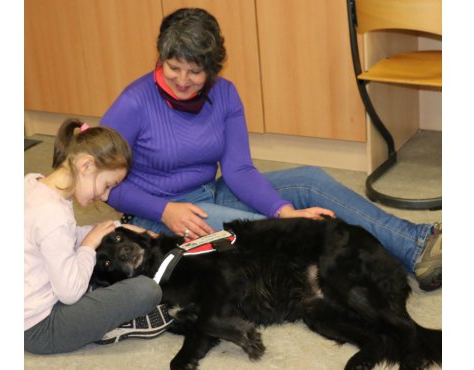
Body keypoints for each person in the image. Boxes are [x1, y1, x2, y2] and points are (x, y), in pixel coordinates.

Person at [99, 8, 441, 291]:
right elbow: (104, 184)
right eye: (174, 68)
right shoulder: (133, 103)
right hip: (155, 213)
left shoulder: (226, 93)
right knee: (263, 234)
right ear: (161, 59)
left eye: (195, 71)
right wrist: (164, 210)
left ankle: (417, 246)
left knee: (308, 181)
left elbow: (238, 170)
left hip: (209, 194)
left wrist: (284, 210)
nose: (183, 81)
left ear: (213, 69)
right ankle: (350, 281)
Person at [24, 118, 173, 355]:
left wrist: (117, 226)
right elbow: (70, 292)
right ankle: (109, 327)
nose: (105, 197)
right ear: (86, 166)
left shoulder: (33, 184)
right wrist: (88, 246)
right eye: (107, 185)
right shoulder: (54, 218)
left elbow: (63, 237)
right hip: (40, 329)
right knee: (147, 290)